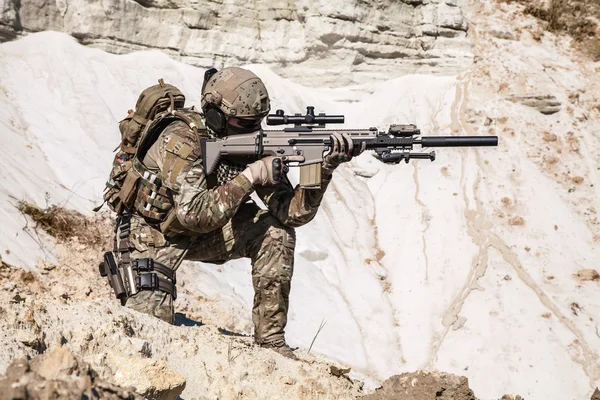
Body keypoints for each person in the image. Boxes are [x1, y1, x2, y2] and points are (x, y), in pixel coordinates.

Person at [120, 67, 360, 359]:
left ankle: (270, 342)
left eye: (257, 122)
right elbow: (193, 214)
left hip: (203, 233)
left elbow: (290, 214)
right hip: (151, 235)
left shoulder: (252, 143)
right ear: (215, 115)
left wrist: (322, 169)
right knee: (148, 335)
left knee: (275, 232)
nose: (252, 128)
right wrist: (251, 176)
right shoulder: (181, 138)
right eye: (243, 122)